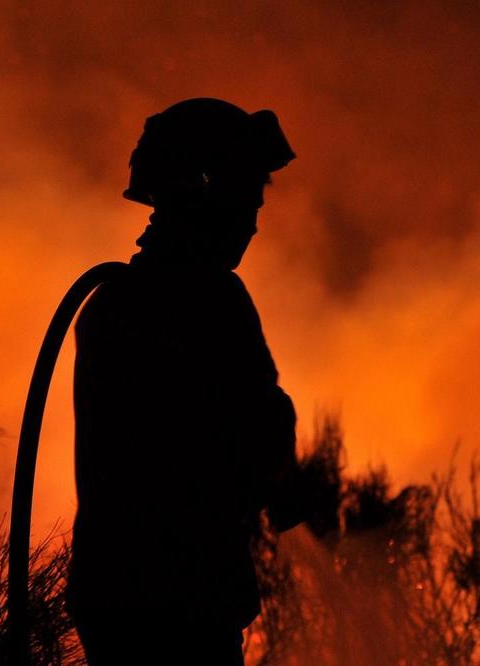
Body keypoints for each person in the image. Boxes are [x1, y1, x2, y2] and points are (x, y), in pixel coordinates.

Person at [66, 98, 303, 665]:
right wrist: (284, 483)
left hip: (115, 596)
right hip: (182, 600)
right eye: (247, 196)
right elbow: (255, 425)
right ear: (204, 189)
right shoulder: (209, 299)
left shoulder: (113, 301)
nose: (252, 219)